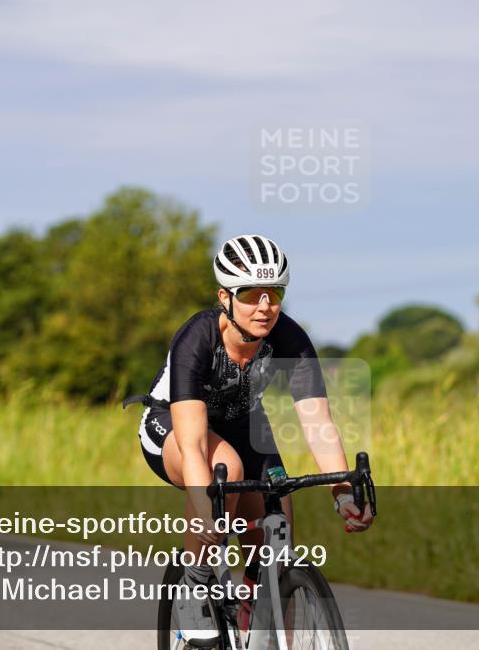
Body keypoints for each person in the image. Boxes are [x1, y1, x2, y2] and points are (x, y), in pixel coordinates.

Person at [127, 234, 374, 646]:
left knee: (278, 536)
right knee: (229, 470)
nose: (265, 306)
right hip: (173, 424)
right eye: (251, 293)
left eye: (274, 292)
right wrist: (205, 508)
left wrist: (343, 493)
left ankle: (256, 628)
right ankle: (195, 582)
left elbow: (318, 424)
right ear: (224, 297)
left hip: (243, 425)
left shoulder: (290, 339)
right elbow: (192, 442)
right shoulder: (198, 338)